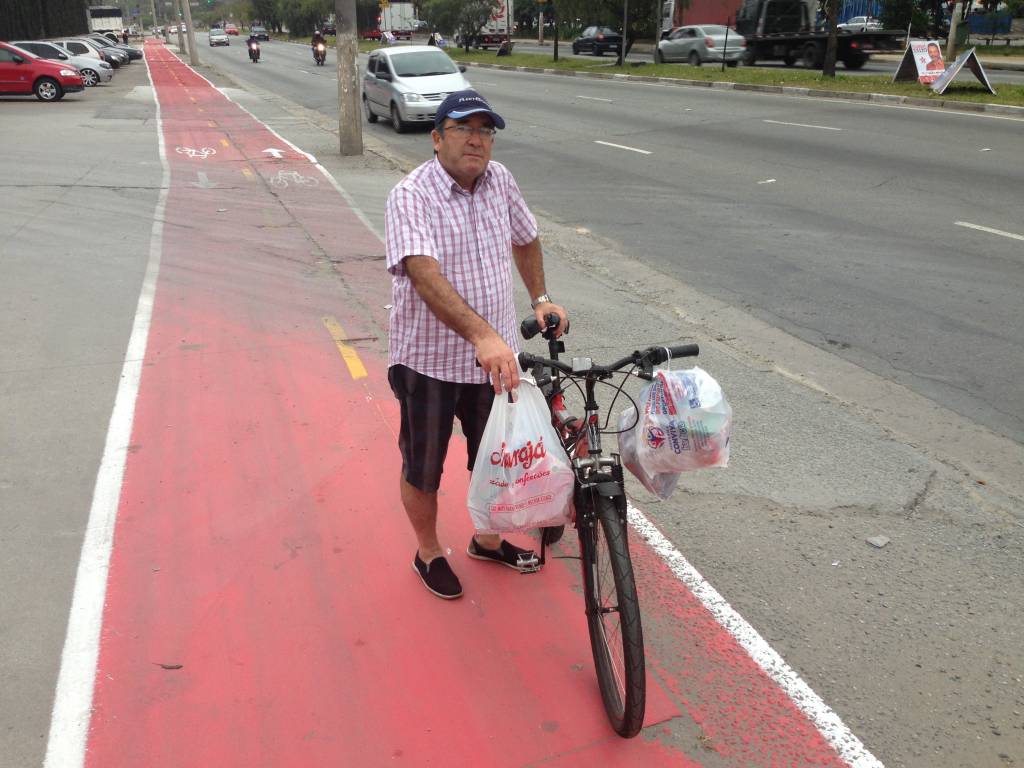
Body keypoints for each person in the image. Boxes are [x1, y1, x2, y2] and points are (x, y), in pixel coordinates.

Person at [384, 90, 569, 600]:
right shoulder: (410, 195)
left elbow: (525, 236)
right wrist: (481, 334)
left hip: (496, 359)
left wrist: (541, 298)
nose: (477, 139)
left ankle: (487, 541)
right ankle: (428, 552)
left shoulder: (500, 180)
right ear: (437, 137)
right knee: (424, 465)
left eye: (485, 130)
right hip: (430, 361)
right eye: (464, 128)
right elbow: (423, 274)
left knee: (497, 459)